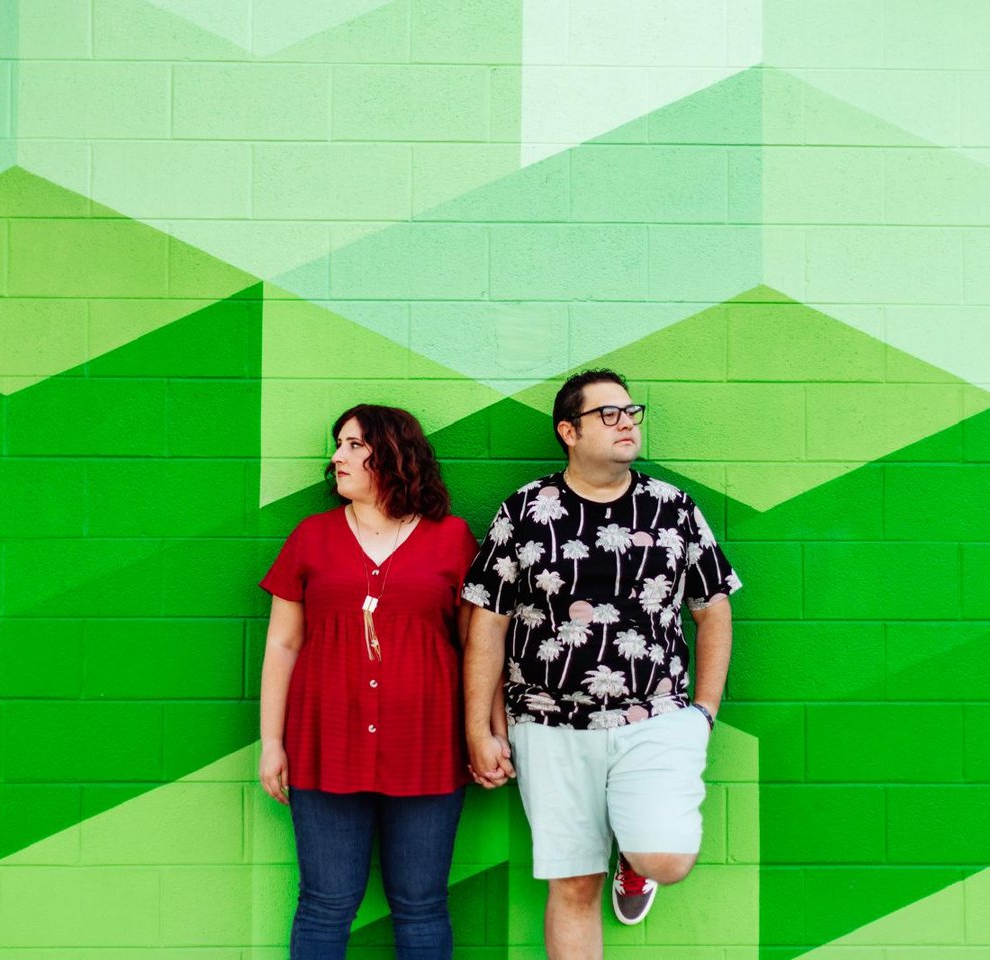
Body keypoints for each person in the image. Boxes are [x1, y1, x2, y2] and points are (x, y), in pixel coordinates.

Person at [461, 369, 740, 958]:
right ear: (569, 430)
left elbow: (712, 611)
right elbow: (488, 622)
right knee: (573, 885)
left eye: (631, 412)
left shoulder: (673, 508)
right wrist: (479, 729)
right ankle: (621, 850)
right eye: (608, 414)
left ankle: (636, 858)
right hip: (547, 723)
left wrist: (704, 713)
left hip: (656, 717)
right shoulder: (527, 511)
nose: (627, 422)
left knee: (666, 858)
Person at [258, 404, 478, 960]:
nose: (337, 457)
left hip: (427, 747)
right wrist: (271, 743)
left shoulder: (451, 538)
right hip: (325, 746)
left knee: (422, 903)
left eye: (354, 445)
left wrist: (486, 733)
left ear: (394, 453)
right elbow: (282, 644)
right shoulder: (311, 536)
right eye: (338, 445)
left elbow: (478, 647)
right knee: (325, 904)